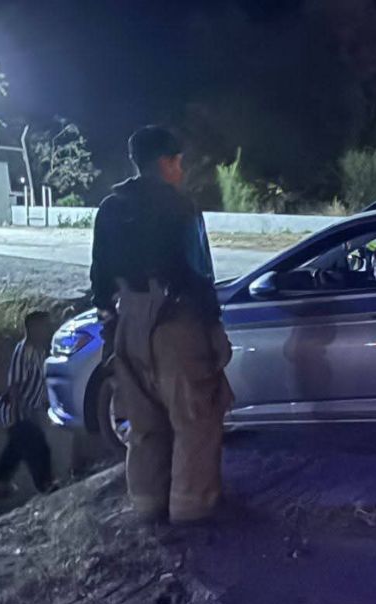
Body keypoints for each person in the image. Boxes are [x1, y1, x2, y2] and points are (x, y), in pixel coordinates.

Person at [91, 126, 234, 524]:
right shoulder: (180, 207)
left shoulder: (111, 207)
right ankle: (193, 508)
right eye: (178, 161)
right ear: (166, 162)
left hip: (127, 321)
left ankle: (148, 504)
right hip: (175, 322)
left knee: (145, 423)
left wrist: (110, 324)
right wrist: (213, 327)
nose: (181, 169)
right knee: (196, 419)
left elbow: (99, 276)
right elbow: (198, 272)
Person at [0, 311, 57, 495]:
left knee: (16, 448)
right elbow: (15, 386)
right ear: (33, 328)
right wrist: (18, 415)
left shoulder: (38, 350)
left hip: (29, 408)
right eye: (44, 326)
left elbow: (38, 381)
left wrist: (43, 405)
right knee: (37, 446)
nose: (47, 330)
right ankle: (46, 484)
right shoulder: (23, 352)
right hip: (17, 409)